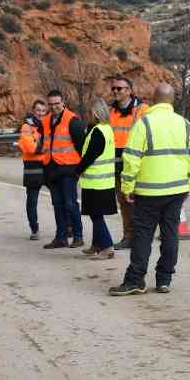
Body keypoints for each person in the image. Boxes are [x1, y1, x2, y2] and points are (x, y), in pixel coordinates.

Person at [109, 83, 190, 296]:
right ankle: (164, 279)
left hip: (148, 192)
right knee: (170, 235)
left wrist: (127, 187)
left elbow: (131, 159)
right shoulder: (185, 124)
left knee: (142, 236)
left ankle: (135, 280)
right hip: (176, 192)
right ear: (172, 101)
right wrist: (188, 185)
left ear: (153, 98)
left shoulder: (144, 124)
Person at [108, 75, 149, 250]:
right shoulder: (111, 111)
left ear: (129, 91)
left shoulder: (142, 110)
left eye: (119, 88)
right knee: (124, 203)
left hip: (137, 163)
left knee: (142, 202)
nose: (115, 91)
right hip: (117, 165)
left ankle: (142, 237)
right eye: (114, 88)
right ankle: (128, 237)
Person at [41, 89, 85, 249]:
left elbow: (82, 147)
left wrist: (79, 170)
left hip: (68, 170)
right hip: (52, 170)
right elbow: (45, 145)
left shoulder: (73, 120)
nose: (54, 107)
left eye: (56, 103)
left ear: (63, 103)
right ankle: (61, 237)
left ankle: (78, 236)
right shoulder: (46, 121)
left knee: (70, 204)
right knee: (57, 204)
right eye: (51, 104)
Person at [77, 98, 118, 260]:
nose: (87, 115)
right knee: (96, 214)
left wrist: (77, 171)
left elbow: (89, 156)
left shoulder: (97, 132)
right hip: (104, 181)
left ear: (95, 113)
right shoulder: (106, 129)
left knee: (96, 215)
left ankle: (107, 246)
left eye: (89, 112)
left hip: (96, 182)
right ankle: (96, 245)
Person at [17, 99, 48, 241]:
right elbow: (30, 149)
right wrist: (46, 149)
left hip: (48, 166)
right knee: (32, 201)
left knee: (60, 199)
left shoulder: (50, 124)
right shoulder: (27, 127)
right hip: (33, 168)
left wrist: (39, 147)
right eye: (38, 110)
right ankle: (34, 229)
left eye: (43, 111)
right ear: (33, 111)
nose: (41, 113)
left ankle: (67, 228)